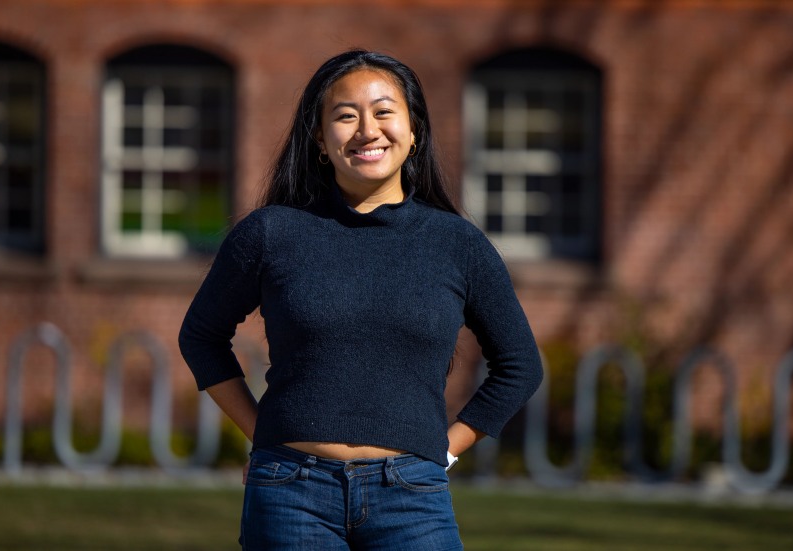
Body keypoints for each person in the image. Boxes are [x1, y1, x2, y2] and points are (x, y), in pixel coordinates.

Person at [179, 49, 543, 550]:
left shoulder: (457, 244)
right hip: (290, 494)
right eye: (346, 115)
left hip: (413, 500)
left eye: (384, 111)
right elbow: (201, 336)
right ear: (320, 140)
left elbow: (520, 364)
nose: (367, 129)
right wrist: (261, 433)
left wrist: (444, 451)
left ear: (414, 131)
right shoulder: (271, 233)